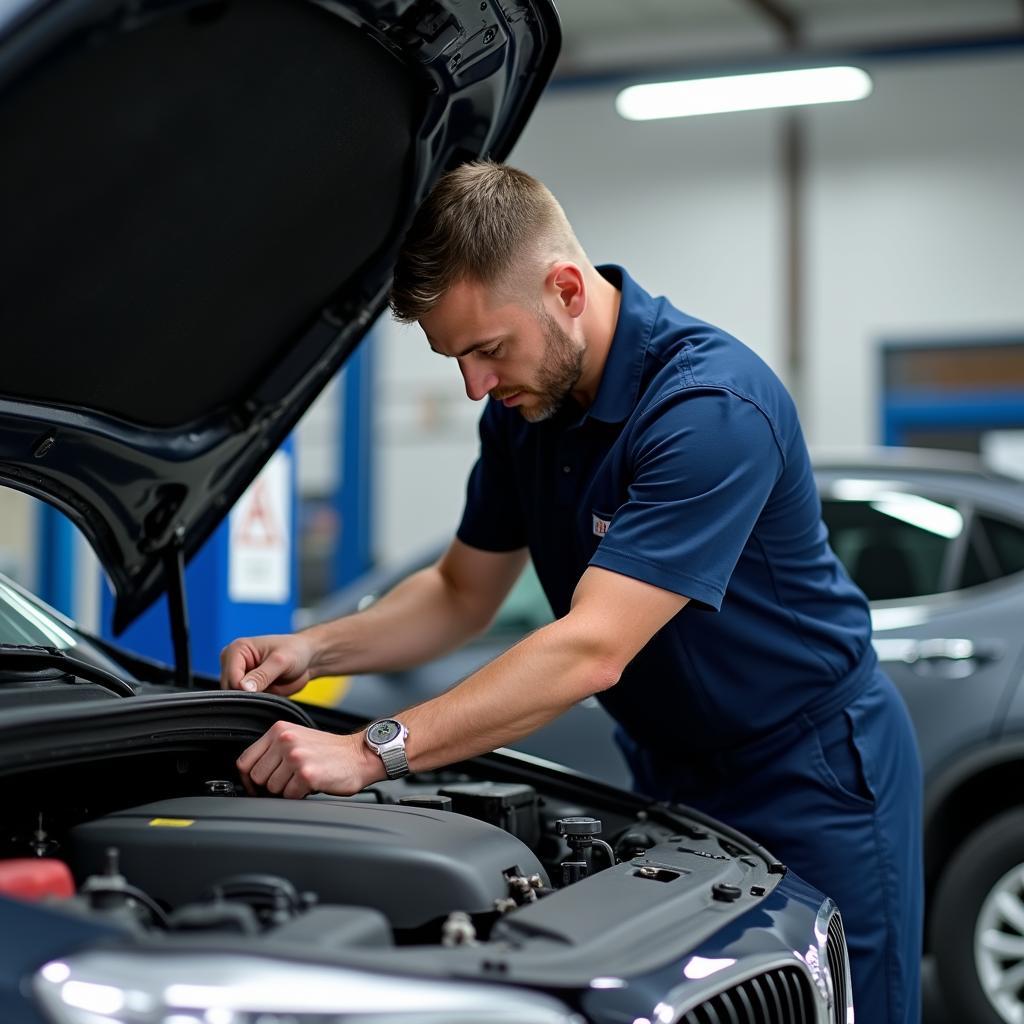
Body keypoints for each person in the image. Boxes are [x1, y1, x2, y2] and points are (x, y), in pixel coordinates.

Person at [221, 161, 922, 1024]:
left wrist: (371, 751)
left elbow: (591, 650)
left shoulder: (708, 407)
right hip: (668, 770)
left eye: (487, 350)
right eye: (456, 360)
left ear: (564, 289)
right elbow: (459, 592)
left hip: (811, 773)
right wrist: (314, 647)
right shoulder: (526, 411)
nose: (476, 386)